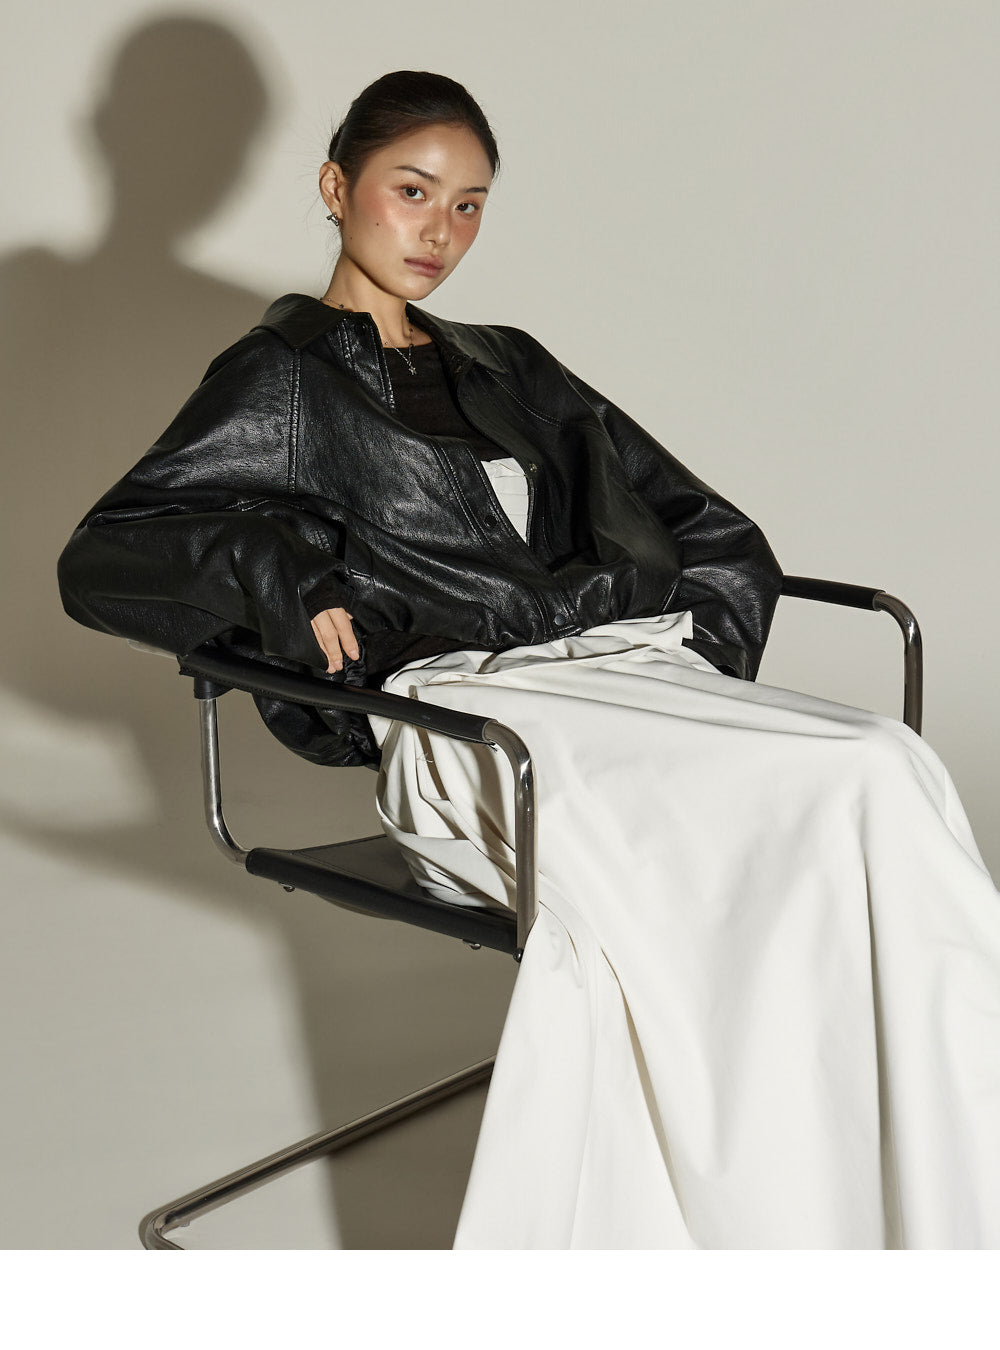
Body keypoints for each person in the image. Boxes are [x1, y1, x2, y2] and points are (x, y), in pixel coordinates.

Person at [58, 71, 1000, 1249]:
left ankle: (936, 1163)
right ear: (336, 187)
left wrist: (691, 660)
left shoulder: (507, 363)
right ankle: (771, 1199)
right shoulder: (280, 379)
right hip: (465, 723)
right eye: (412, 191)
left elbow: (695, 518)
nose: (439, 231)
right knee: (812, 798)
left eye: (469, 205)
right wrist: (277, 572)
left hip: (606, 676)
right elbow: (104, 558)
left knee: (881, 763)